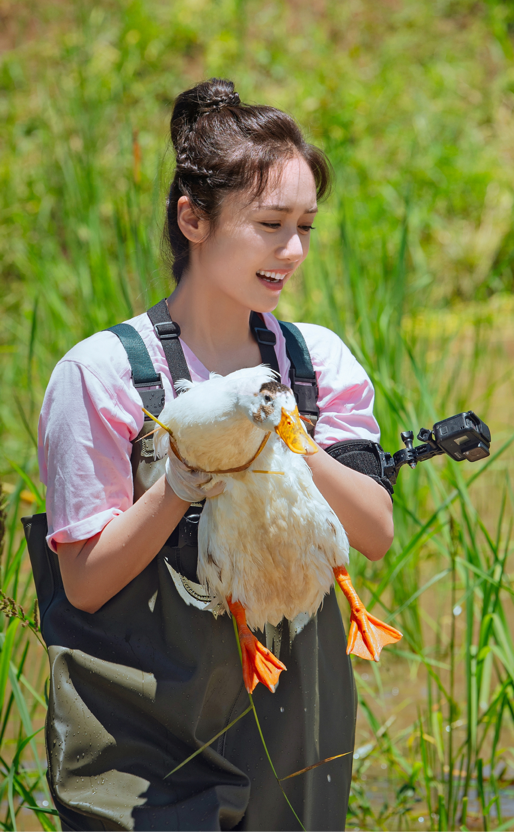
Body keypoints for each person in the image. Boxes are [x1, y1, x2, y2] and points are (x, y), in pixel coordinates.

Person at [33, 78, 394, 832]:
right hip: (146, 742)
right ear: (193, 219)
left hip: (296, 726)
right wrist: (178, 484)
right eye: (270, 225)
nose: (292, 251)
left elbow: (373, 530)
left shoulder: (315, 361)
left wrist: (290, 437)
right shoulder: (101, 376)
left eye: (305, 226)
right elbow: (86, 586)